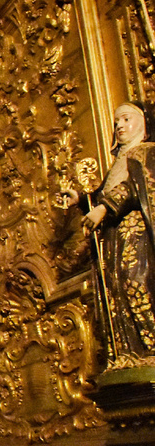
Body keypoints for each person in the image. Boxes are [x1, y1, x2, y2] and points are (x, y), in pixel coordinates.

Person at [64, 101, 155, 360]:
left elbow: (133, 188)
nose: (119, 126)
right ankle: (128, 354)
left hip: (137, 231)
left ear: (144, 124)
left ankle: (149, 349)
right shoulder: (118, 163)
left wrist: (104, 209)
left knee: (136, 282)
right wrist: (82, 200)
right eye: (116, 122)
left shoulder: (146, 153)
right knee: (114, 290)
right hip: (114, 236)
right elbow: (103, 195)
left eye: (126, 119)